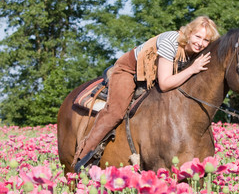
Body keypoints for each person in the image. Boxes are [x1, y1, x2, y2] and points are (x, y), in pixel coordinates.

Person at [72, 16, 220, 167]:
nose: (201, 43)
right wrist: (192, 69)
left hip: (154, 77)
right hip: (130, 71)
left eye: (206, 40)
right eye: (198, 36)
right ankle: (84, 158)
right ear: (189, 33)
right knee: (115, 112)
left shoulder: (197, 52)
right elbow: (164, 83)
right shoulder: (171, 41)